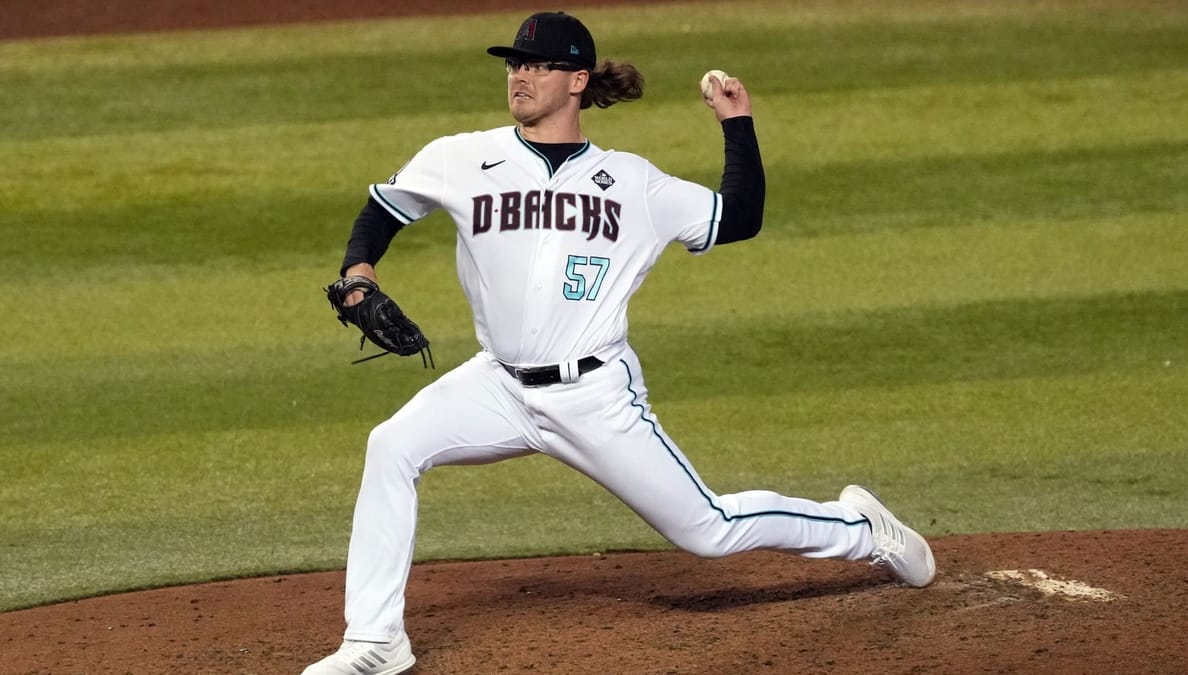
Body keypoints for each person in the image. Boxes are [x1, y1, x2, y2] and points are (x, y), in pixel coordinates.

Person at [303, 10, 935, 675]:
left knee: (708, 529)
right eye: (514, 63)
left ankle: (864, 530)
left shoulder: (634, 183)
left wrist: (737, 123)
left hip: (594, 395)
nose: (519, 76)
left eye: (538, 65)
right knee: (392, 446)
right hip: (497, 384)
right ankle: (376, 641)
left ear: (577, 80)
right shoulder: (460, 157)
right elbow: (383, 210)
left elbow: (739, 216)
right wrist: (359, 275)